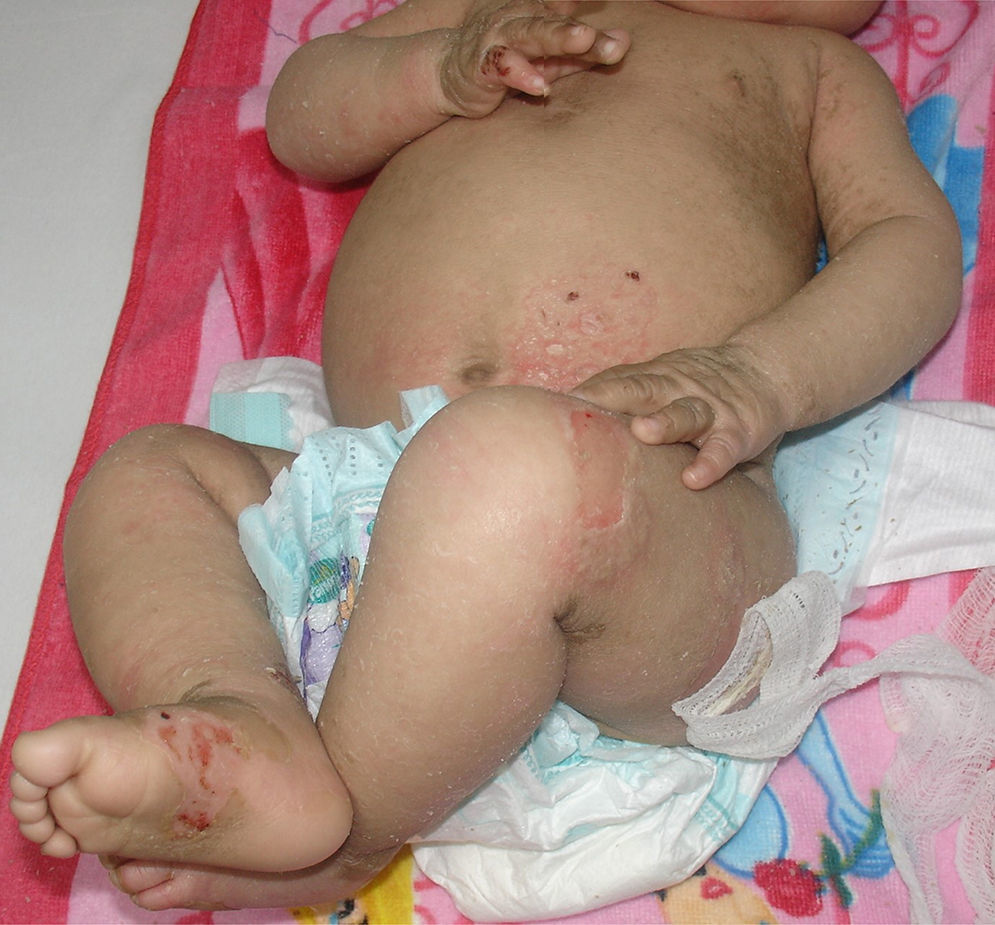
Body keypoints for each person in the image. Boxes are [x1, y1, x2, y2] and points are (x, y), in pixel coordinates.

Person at [9, 0, 960, 913]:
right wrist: (432, 70)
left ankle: (348, 832)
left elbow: (908, 246)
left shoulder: (811, 69)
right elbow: (302, 116)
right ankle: (238, 715)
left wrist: (761, 376)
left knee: (510, 468)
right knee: (148, 475)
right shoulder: (498, 7)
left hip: (654, 519)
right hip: (370, 503)